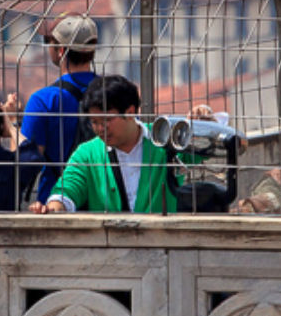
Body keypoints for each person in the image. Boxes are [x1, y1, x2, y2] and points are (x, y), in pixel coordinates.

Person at [37, 75, 214, 214]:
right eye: (94, 122)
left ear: (129, 112)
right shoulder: (87, 154)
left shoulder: (165, 141)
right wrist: (54, 207)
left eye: (106, 121)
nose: (100, 129)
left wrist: (206, 124)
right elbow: (67, 189)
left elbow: (216, 148)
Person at [15, 14, 103, 201]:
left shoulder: (43, 100)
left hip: (57, 198)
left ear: (61, 50)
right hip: (104, 198)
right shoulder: (112, 92)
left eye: (49, 41)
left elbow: (28, 161)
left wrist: (10, 125)